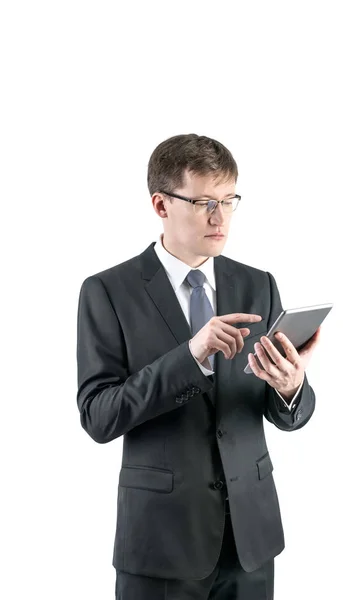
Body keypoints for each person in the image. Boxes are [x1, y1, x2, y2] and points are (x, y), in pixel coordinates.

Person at [76, 133, 321, 599]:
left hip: (251, 541)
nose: (220, 217)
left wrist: (291, 387)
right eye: (205, 201)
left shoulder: (258, 285)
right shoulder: (107, 291)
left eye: (229, 200)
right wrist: (190, 356)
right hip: (161, 544)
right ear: (161, 205)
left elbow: (285, 411)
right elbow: (99, 416)